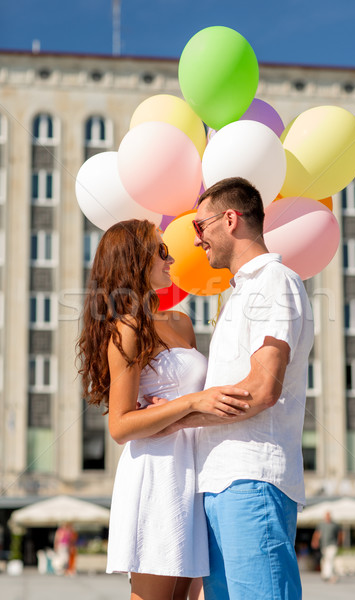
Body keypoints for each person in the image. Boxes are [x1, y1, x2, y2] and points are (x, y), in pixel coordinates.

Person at [152, 177, 314, 599]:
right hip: (221, 482)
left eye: (200, 226)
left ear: (230, 219)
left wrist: (176, 419)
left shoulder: (274, 281)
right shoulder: (240, 293)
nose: (197, 239)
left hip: (253, 479)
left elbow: (262, 388)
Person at [76, 219, 250, 600]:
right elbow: (121, 426)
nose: (171, 257)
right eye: (161, 249)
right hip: (157, 474)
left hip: (196, 472)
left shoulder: (183, 322)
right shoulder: (127, 327)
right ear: (135, 259)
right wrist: (188, 402)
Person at [311, 511, 342, 582]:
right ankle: (328, 574)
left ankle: (327, 575)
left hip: (332, 544)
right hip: (324, 545)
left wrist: (339, 542)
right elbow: (317, 533)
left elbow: (340, 533)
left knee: (329, 559)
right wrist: (315, 541)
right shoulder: (321, 524)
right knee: (325, 559)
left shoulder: (335, 525)